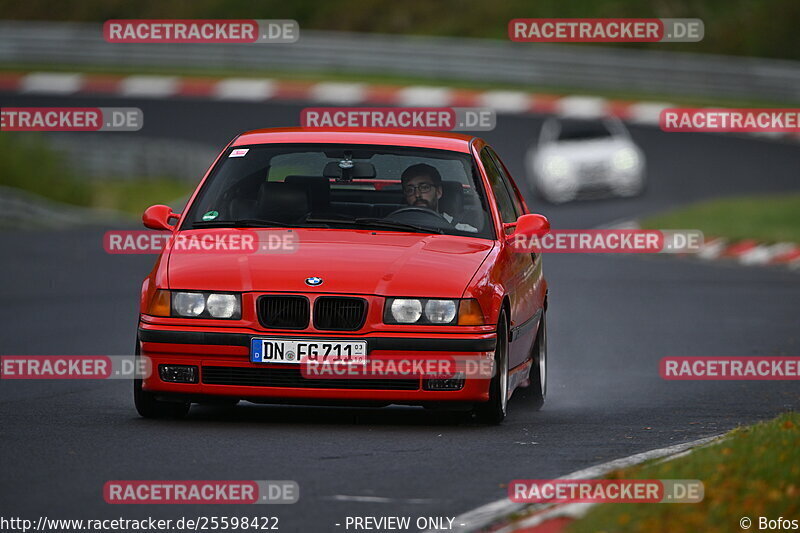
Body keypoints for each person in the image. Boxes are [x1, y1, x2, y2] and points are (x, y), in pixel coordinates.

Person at [400, 163, 477, 232]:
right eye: (410, 190)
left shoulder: (462, 231)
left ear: (438, 192)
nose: (417, 194)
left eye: (424, 187)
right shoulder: (393, 227)